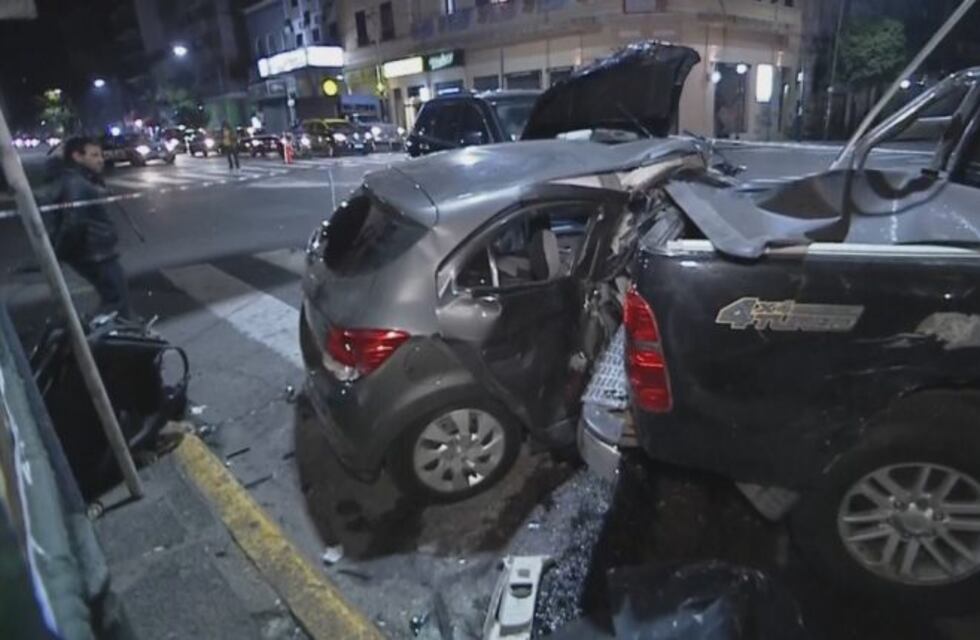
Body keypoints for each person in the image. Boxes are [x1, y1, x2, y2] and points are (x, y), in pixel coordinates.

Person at [49, 136, 132, 319]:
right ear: (77, 156)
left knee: (116, 300)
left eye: (101, 155)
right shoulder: (76, 183)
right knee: (116, 302)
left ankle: (112, 335)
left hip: (96, 252)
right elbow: (73, 223)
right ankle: (97, 338)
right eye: (94, 155)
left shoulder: (78, 179)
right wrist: (60, 253)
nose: (100, 159)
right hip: (95, 254)